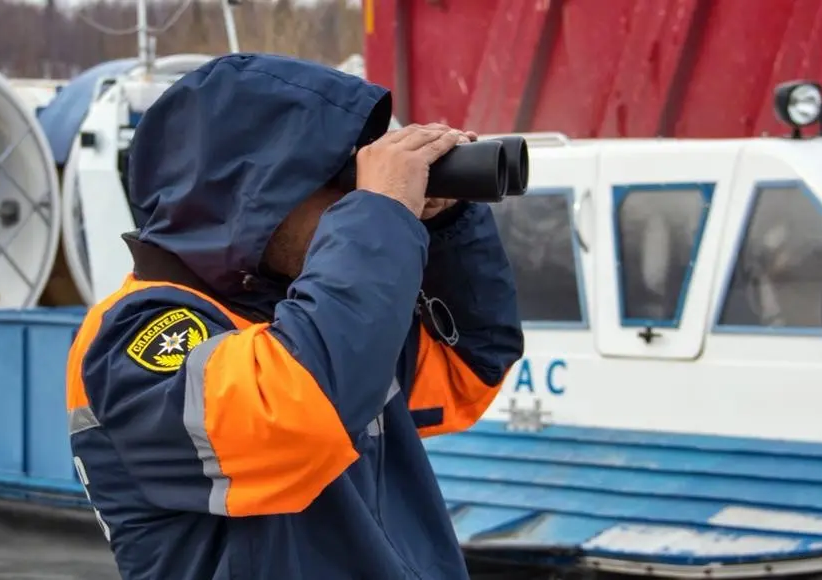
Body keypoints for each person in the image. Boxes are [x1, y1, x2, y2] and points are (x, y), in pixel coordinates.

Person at [66, 53, 523, 580]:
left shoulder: (314, 310)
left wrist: (446, 228)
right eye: (336, 181)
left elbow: (469, 369)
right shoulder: (135, 334)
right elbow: (290, 416)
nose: (351, 200)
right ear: (247, 196)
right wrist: (379, 213)